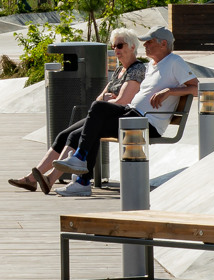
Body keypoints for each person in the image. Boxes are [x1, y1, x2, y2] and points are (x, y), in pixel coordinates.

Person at [49, 26, 199, 197]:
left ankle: (80, 159)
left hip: (146, 123)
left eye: (149, 42)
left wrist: (170, 92)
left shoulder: (174, 62)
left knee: (98, 108)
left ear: (163, 43)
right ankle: (82, 181)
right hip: (132, 114)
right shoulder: (151, 65)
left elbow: (198, 88)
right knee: (80, 132)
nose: (145, 45)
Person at [8, 28, 146, 194]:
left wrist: (109, 99)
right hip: (105, 114)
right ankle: (32, 178)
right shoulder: (119, 71)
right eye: (114, 46)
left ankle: (51, 178)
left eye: (120, 45)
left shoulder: (136, 70)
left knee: (76, 136)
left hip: (119, 117)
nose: (116, 49)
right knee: (63, 135)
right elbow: (99, 98)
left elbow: (123, 101)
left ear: (132, 47)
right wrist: (108, 98)